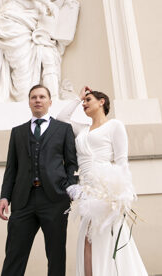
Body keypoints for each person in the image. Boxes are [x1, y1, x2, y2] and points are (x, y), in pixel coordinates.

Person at [57, 86, 148, 276]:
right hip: (86, 188)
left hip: (106, 189)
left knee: (103, 237)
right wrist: (77, 98)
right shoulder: (82, 129)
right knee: (88, 239)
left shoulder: (114, 125)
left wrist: (123, 194)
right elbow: (61, 118)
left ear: (101, 102)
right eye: (84, 101)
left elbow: (122, 161)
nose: (84, 104)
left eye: (88, 100)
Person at [0, 84, 78, 276]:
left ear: (50, 102)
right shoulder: (17, 132)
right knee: (14, 254)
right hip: (23, 200)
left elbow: (71, 164)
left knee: (56, 254)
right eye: (34, 97)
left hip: (55, 200)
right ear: (29, 102)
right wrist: (5, 196)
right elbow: (11, 168)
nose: (38, 100)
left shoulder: (64, 129)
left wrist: (69, 188)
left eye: (42, 97)